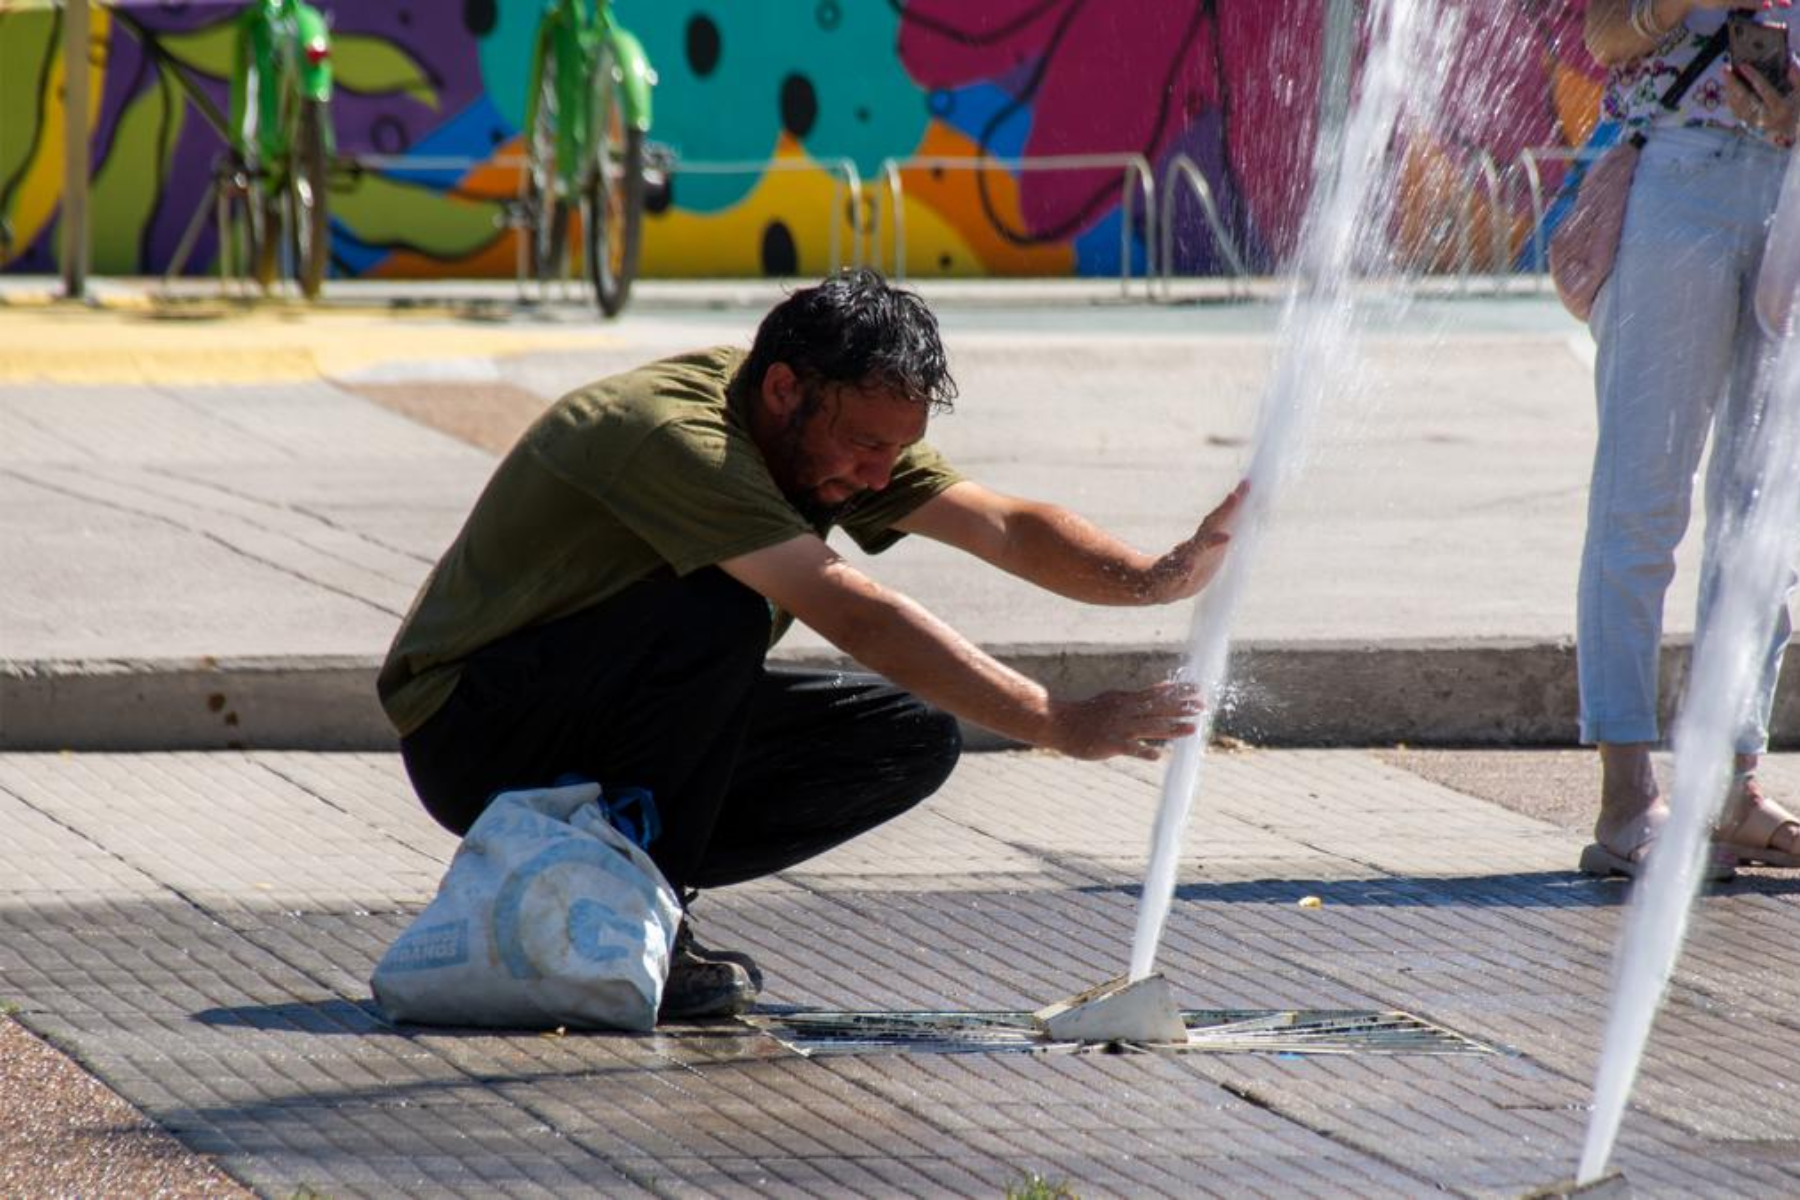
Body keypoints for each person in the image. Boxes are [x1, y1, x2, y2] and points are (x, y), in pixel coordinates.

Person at [380, 268, 1247, 1018]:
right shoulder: (677, 438)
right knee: (720, 610)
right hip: (473, 728)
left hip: (587, 713)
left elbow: (1006, 527)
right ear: (785, 389)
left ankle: (619, 895)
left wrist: (1161, 575)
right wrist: (1055, 720)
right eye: (868, 445)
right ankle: (641, 917)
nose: (879, 474)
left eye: (897, 449)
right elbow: (856, 614)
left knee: (904, 738)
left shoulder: (822, 434)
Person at [1576, 0, 1800, 879]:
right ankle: (1627, 798)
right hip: (1679, 178)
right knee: (1643, 496)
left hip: (1793, 190)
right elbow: (1603, 36)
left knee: (1764, 516)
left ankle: (1729, 783)